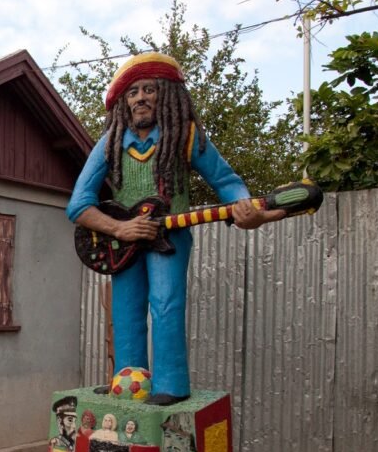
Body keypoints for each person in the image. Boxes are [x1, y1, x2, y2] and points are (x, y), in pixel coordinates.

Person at [66, 53, 284, 406]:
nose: (139, 98)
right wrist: (120, 230)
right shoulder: (109, 143)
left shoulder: (185, 136)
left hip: (171, 235)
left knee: (166, 304)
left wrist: (244, 205)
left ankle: (170, 382)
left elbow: (225, 180)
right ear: (123, 102)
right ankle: (129, 378)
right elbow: (78, 205)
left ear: (165, 94)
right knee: (125, 310)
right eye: (132, 92)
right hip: (125, 245)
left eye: (148, 89)